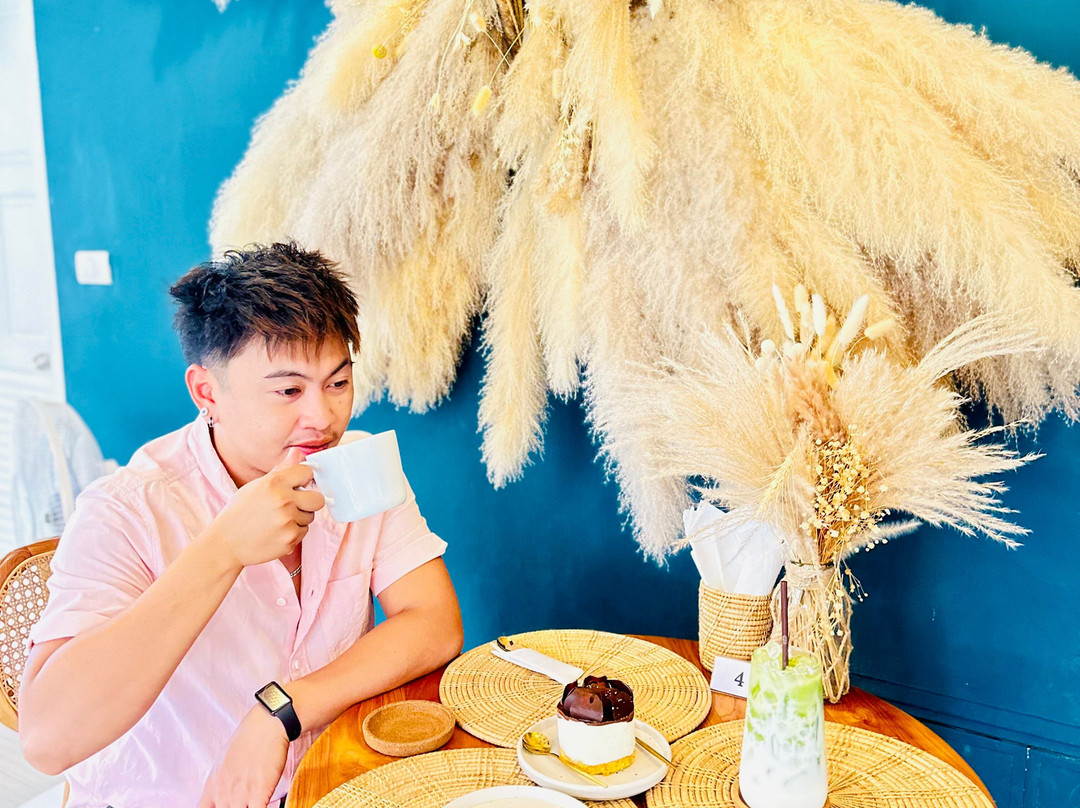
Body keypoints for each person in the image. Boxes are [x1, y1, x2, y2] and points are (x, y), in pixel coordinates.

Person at [18, 242, 463, 807]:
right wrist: (223, 549)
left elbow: (434, 622)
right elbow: (47, 740)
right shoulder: (125, 508)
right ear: (207, 392)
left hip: (328, 784)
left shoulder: (357, 463)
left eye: (337, 383)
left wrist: (282, 711)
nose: (323, 417)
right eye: (288, 390)